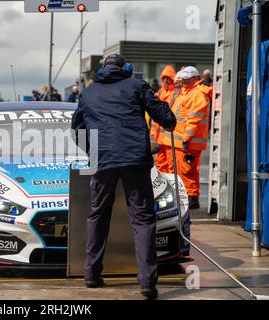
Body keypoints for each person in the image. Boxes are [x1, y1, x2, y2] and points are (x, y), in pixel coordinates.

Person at [71, 54, 176, 300]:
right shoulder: (136, 86)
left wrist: (94, 151)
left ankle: (91, 275)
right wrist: (169, 121)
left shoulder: (88, 93)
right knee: (142, 220)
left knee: (98, 214)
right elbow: (164, 115)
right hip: (135, 161)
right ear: (126, 68)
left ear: (102, 69)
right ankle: (147, 283)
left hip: (102, 161)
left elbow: (76, 130)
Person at [169, 66, 210, 210]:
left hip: (190, 142)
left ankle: (192, 198)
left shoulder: (196, 95)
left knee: (188, 171)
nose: (184, 82)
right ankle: (188, 197)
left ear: (195, 79)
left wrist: (186, 138)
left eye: (187, 79)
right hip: (187, 141)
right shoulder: (191, 93)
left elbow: (194, 120)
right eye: (183, 79)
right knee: (184, 170)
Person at [151, 65, 178, 173]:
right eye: (164, 78)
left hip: (169, 137)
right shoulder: (160, 92)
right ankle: (162, 189)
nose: (166, 80)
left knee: (172, 166)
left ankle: (171, 189)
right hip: (158, 138)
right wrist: (152, 134)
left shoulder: (176, 93)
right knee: (160, 165)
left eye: (169, 78)